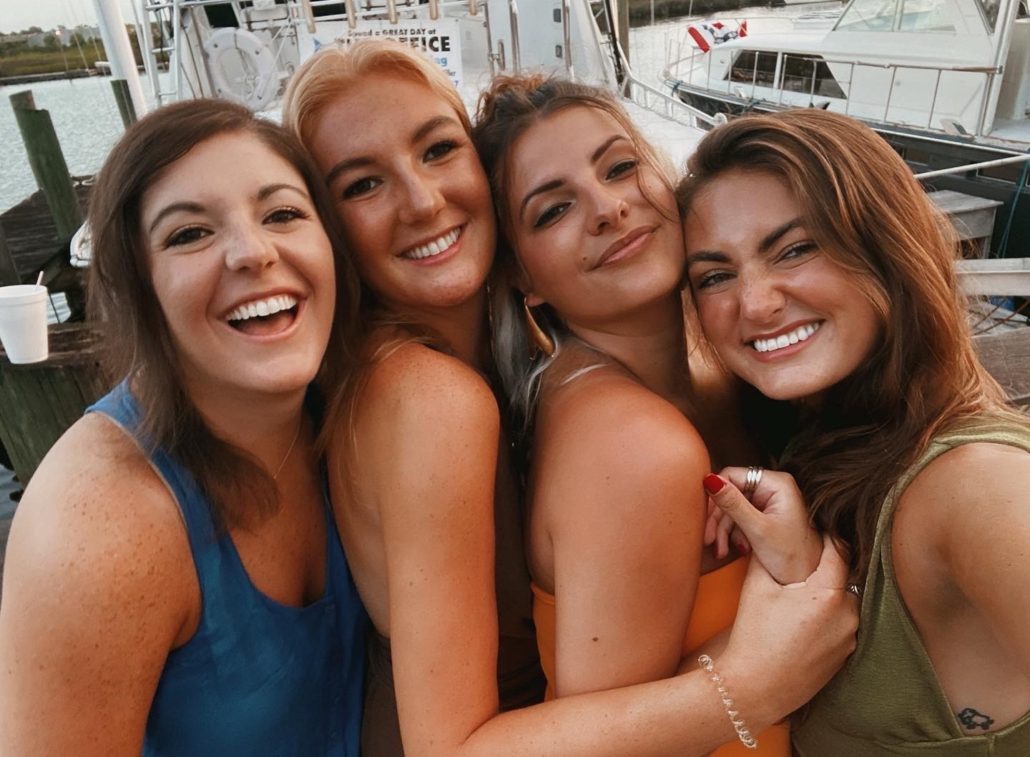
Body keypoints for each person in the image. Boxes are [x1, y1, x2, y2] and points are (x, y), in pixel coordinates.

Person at [285, 40, 857, 757]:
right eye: (362, 185)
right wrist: (758, 680)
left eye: (438, 149)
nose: (423, 199)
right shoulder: (441, 399)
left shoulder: (525, 379)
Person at [0, 98, 367, 755]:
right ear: (138, 288)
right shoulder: (99, 529)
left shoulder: (355, 427)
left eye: (282, 214)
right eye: (190, 233)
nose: (253, 252)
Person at [473, 73, 824, 756]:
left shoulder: (718, 378)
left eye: (620, 167)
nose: (608, 208)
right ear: (523, 278)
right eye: (553, 210)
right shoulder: (633, 444)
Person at [679, 108, 1030, 755]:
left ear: (886, 249)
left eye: (795, 249)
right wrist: (802, 571)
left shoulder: (979, 486)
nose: (755, 303)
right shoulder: (824, 451)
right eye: (715, 276)